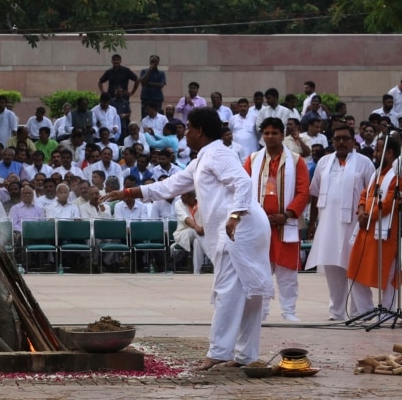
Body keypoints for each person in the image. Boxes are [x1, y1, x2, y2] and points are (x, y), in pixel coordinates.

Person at [103, 107, 272, 370]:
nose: (186, 134)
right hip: (244, 226)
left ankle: (219, 351)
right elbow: (168, 186)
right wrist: (127, 192)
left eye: (189, 128)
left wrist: (235, 215)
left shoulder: (217, 153)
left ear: (199, 130)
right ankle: (244, 356)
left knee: (229, 290)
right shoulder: (201, 160)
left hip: (242, 226)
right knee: (245, 292)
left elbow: (243, 182)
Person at [305, 124, 377, 320]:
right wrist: (312, 223)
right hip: (328, 224)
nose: (341, 142)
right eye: (337, 139)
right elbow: (314, 194)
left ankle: (362, 311)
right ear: (333, 141)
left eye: (345, 138)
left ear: (354, 141)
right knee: (332, 269)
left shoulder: (364, 163)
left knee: (356, 267)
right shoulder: (324, 163)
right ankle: (336, 312)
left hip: (355, 224)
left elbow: (372, 195)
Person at [243, 118, 309, 322]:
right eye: (266, 133)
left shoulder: (296, 161)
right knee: (260, 270)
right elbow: (243, 189)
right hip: (258, 224)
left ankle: (289, 311)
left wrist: (288, 214)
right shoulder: (252, 159)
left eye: (274, 133)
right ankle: (260, 313)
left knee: (287, 271)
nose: (270, 136)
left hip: (285, 224)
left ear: (282, 135)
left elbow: (303, 192)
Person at [347, 138, 402, 311]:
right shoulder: (376, 173)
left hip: (385, 234)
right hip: (366, 230)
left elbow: (389, 202)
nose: (374, 154)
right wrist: (362, 211)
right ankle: (366, 312)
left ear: (390, 153)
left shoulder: (397, 176)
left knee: (388, 275)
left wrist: (369, 216)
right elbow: (365, 194)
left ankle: (387, 312)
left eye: (378, 150)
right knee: (354, 272)